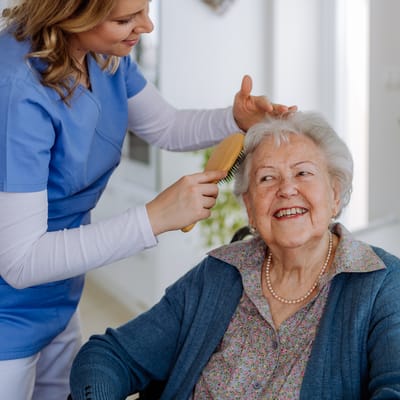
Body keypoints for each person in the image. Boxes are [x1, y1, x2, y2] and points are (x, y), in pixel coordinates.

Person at [0, 0, 297, 399]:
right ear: (71, 13)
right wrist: (154, 218)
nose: (148, 26)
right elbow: (20, 262)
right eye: (125, 19)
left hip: (57, 292)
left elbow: (167, 126)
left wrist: (235, 119)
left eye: (145, 8)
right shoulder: (16, 89)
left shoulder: (101, 56)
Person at [69, 111, 400, 400]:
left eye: (303, 173)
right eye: (267, 178)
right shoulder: (218, 274)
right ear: (250, 209)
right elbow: (110, 355)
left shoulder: (382, 284)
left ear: (335, 193)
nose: (286, 189)